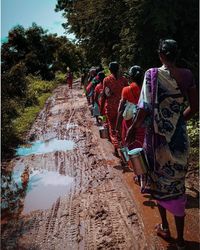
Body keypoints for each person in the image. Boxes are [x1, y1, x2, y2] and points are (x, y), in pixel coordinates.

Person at [126, 39, 198, 249]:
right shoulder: (187, 75)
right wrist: (176, 122)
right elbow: (195, 107)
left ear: (160, 55)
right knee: (177, 185)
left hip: (156, 141)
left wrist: (132, 129)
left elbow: (144, 109)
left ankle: (165, 227)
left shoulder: (151, 74)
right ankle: (181, 240)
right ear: (177, 54)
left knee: (158, 181)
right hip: (179, 142)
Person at [116, 66, 146, 190]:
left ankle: (139, 176)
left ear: (131, 77)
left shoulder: (126, 90)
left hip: (130, 126)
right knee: (146, 149)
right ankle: (148, 176)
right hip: (145, 124)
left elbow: (121, 109)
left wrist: (117, 127)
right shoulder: (148, 88)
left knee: (133, 149)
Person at [100, 61, 128, 154]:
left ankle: (116, 148)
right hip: (123, 108)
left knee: (113, 128)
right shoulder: (123, 80)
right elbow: (128, 92)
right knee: (122, 127)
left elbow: (104, 95)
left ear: (110, 70)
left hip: (111, 108)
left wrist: (101, 110)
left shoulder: (106, 80)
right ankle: (123, 146)